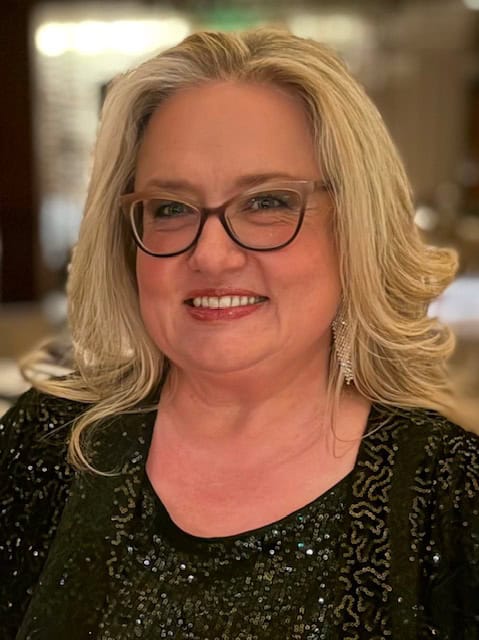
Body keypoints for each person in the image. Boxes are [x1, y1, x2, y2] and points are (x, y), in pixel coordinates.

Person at [1, 27, 478, 640]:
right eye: (171, 208)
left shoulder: (450, 494)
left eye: (266, 202)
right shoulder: (46, 448)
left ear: (356, 225)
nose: (213, 256)